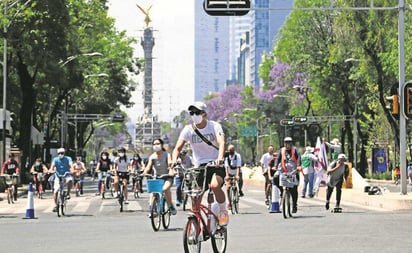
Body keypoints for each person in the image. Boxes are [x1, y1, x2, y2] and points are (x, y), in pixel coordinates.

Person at [171, 101, 228, 225]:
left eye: (197, 112)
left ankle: (223, 211)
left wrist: (220, 158)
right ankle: (195, 227)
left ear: (204, 114)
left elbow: (221, 142)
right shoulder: (188, 129)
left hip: (215, 164)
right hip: (199, 166)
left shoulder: (214, 126)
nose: (194, 115)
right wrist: (174, 160)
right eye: (192, 113)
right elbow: (177, 148)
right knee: (195, 195)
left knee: (214, 186)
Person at [142, 138, 177, 215]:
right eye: (154, 144)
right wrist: (144, 172)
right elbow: (148, 167)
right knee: (153, 192)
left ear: (161, 145)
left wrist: (171, 170)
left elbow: (170, 163)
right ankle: (152, 210)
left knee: (165, 189)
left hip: (167, 176)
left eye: (158, 144)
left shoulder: (166, 155)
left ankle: (170, 205)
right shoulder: (152, 157)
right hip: (157, 177)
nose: (156, 146)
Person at [275, 137, 301, 213]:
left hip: (293, 172)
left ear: (291, 144)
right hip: (284, 171)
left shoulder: (295, 150)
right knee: (275, 178)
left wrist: (299, 165)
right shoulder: (282, 150)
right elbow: (277, 159)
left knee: (294, 189)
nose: (288, 145)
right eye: (286, 143)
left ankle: (294, 205)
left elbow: (299, 158)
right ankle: (282, 191)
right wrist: (275, 165)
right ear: (284, 144)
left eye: (289, 143)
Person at [224, 144, 243, 209]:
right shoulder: (226, 156)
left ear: (234, 150)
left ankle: (240, 190)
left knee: (240, 180)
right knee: (228, 187)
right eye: (229, 150)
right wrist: (226, 175)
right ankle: (229, 203)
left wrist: (237, 175)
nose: (230, 152)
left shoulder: (237, 156)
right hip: (229, 172)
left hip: (237, 171)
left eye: (232, 150)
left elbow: (238, 166)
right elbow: (226, 166)